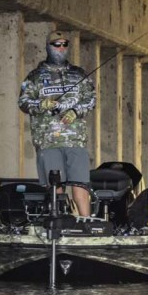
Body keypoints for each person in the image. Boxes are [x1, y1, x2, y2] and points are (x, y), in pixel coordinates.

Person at [18, 30, 96, 217]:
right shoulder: (34, 76)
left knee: (80, 185)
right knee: (55, 187)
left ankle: (86, 223)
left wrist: (76, 111)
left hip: (75, 141)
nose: (61, 48)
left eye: (64, 44)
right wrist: (41, 104)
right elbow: (23, 102)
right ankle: (59, 222)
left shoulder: (79, 74)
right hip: (48, 140)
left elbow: (91, 99)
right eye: (56, 44)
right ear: (48, 47)